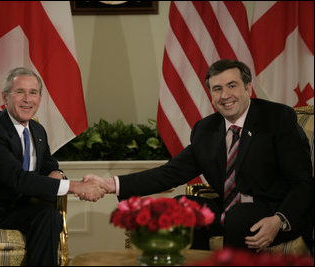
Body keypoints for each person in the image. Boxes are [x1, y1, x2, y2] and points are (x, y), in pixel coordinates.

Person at [84, 59, 313, 252]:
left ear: (248, 88)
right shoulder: (206, 130)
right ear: (211, 94)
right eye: (217, 89)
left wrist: (280, 220)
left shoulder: (277, 119)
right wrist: (109, 184)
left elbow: (302, 182)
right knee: (182, 206)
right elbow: (169, 173)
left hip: (277, 210)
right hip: (231, 211)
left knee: (238, 217)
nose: (225, 95)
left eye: (232, 86)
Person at [0, 67, 106, 266]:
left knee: (49, 217)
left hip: (8, 209)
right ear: (5, 96)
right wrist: (75, 186)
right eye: (20, 92)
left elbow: (49, 165)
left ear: (40, 98)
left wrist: (57, 173)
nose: (27, 99)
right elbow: (18, 179)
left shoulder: (37, 130)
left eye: (33, 92)